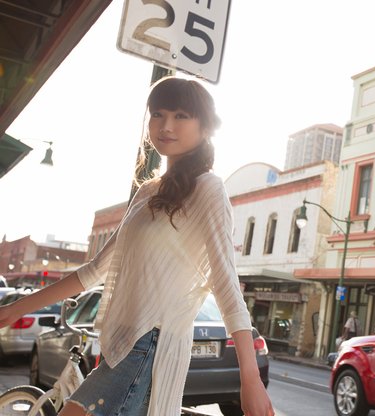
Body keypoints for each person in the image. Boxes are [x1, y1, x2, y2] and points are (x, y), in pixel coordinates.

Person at [0, 77, 274, 416]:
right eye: (157, 114)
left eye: (180, 115)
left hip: (150, 345)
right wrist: (15, 309)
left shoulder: (208, 189)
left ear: (205, 128)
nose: (166, 125)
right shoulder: (147, 193)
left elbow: (226, 283)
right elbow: (94, 271)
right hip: (122, 345)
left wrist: (250, 377)